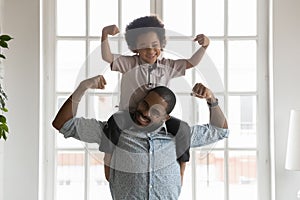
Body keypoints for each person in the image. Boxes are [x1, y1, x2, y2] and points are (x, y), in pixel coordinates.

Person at [52, 75, 229, 200]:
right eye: (144, 104)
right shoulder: (115, 129)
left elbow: (220, 130)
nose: (144, 112)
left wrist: (211, 99)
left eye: (155, 111)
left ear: (165, 117)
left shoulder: (180, 133)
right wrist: (83, 87)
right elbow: (62, 123)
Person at [101, 15, 210, 180]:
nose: (150, 51)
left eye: (154, 45)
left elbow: (191, 63)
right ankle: (108, 161)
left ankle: (181, 168)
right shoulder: (129, 64)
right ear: (135, 47)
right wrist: (104, 34)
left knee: (183, 129)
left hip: (158, 117)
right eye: (144, 47)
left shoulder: (167, 67)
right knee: (113, 124)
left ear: (162, 44)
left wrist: (205, 47)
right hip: (130, 114)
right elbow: (107, 57)